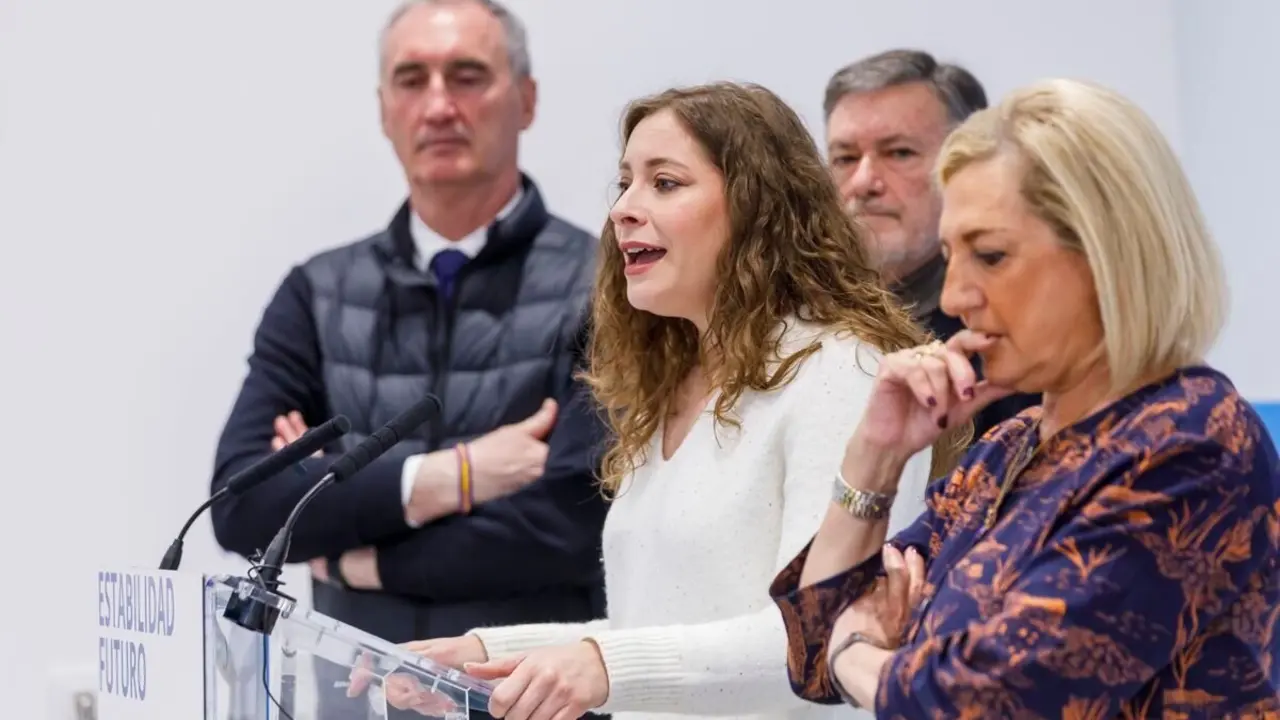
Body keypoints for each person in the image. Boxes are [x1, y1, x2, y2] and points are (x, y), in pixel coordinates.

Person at [352, 82, 967, 720]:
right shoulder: (673, 384)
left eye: (665, 183)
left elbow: (823, 633)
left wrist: (599, 664)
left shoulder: (840, 369)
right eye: (625, 183)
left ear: (758, 207)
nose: (624, 208)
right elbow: (661, 625)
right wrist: (483, 654)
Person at [770, 78, 1280, 718]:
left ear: (1108, 258)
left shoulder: (1191, 443)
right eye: (953, 255)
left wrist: (858, 655)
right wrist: (877, 454)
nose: (954, 298)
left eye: (990, 255)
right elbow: (813, 646)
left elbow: (982, 702)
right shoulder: (1010, 447)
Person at [208, 1, 607, 717]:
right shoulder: (317, 293)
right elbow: (241, 507)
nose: (439, 105)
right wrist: (454, 477)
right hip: (355, 699)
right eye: (411, 79)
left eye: (467, 76)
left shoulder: (608, 288)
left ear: (527, 99)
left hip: (529, 700)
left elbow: (572, 529)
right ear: (384, 108)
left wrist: (354, 549)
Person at [823, 49, 1038, 441]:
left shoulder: (1016, 327)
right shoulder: (800, 318)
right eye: (845, 158)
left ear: (968, 163)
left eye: (899, 153)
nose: (864, 182)